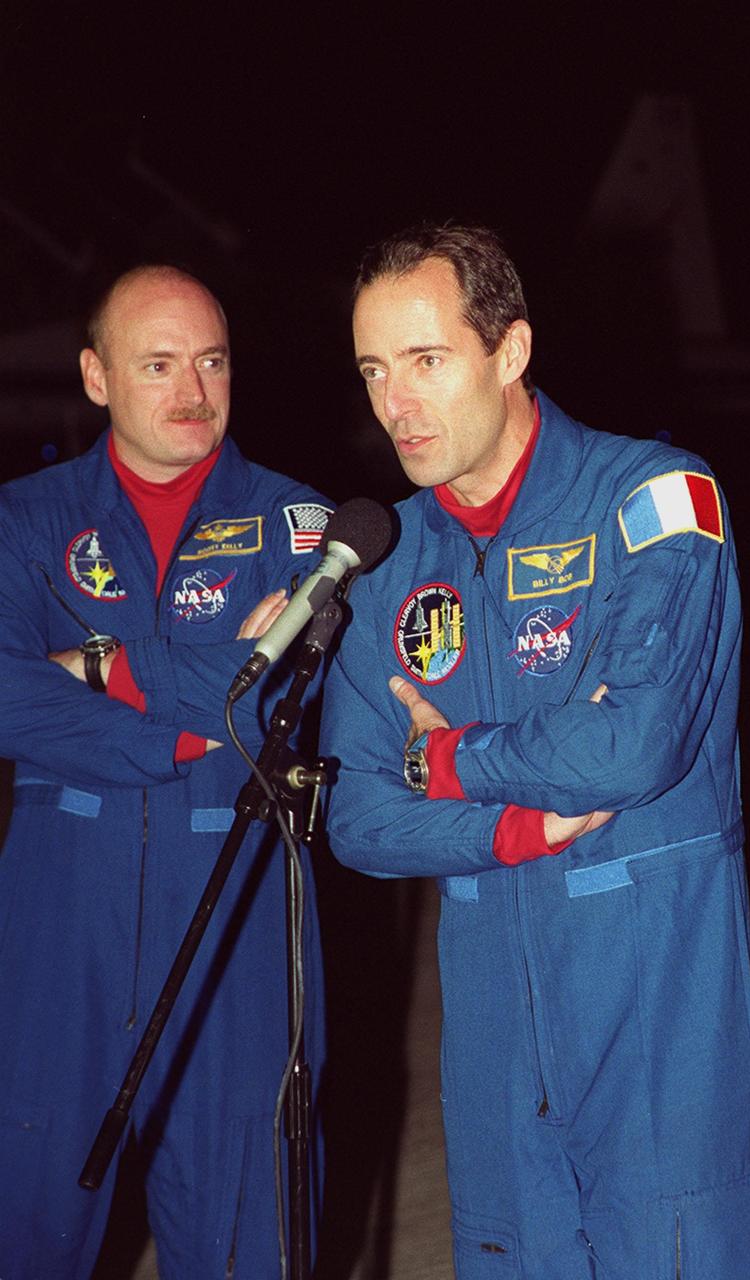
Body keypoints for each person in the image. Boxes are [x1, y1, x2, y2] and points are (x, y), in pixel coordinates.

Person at [320, 224, 750, 1278]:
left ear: (511, 350)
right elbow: (355, 814)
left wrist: (449, 764)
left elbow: (633, 740)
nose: (396, 402)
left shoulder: (655, 501)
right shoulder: (383, 563)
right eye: (375, 370)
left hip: (656, 1008)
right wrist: (520, 823)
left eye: (426, 360)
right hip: (492, 1034)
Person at [0, 265, 332, 1278]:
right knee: (26, 1217)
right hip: (60, 907)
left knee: (248, 1228)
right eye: (159, 364)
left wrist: (105, 668)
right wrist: (195, 722)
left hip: (235, 895)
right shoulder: (25, 519)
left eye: (212, 360)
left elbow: (285, 701)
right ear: (96, 375)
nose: (194, 390)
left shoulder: (299, 527)